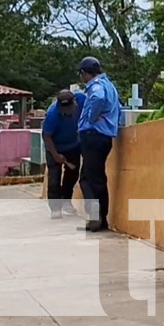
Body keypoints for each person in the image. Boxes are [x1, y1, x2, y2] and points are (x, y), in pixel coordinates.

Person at [77, 57, 120, 232]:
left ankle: (95, 216)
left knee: (88, 179)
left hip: (93, 135)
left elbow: (98, 99)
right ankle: (102, 218)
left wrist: (91, 118)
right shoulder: (109, 85)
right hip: (104, 137)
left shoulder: (96, 87)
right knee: (97, 178)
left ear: (85, 73)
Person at [43, 90, 85, 219]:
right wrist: (55, 154)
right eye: (64, 108)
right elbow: (46, 135)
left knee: (73, 173)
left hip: (73, 145)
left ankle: (66, 198)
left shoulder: (80, 100)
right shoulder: (53, 115)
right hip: (54, 146)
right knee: (54, 178)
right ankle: (55, 208)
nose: (67, 111)